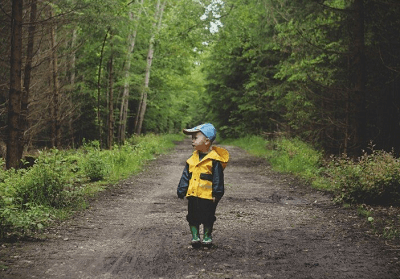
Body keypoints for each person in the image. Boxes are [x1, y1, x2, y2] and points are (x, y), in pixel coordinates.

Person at [177, 123, 229, 248]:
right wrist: (182, 189)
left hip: (208, 196)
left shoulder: (214, 160)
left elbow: (218, 178)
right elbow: (186, 175)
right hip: (193, 194)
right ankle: (195, 237)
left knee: (208, 216)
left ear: (206, 141)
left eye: (195, 138)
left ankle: (207, 236)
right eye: (192, 138)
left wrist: (217, 193)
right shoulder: (191, 159)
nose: (192, 141)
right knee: (192, 216)